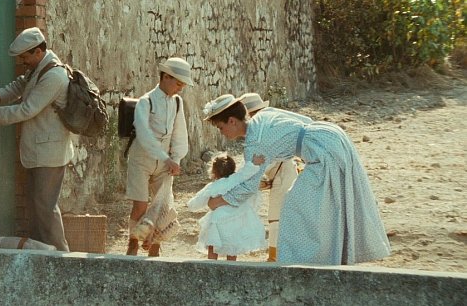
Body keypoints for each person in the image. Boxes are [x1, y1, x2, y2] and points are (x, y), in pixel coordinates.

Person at [202, 94, 391, 265]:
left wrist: (219, 201)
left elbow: (249, 186)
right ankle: (329, 255)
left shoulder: (254, 143)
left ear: (232, 121)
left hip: (322, 150)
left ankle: (310, 260)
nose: (222, 132)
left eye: (221, 127)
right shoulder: (263, 115)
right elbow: (304, 121)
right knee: (327, 201)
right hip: (329, 135)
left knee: (295, 205)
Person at [0, 27, 72, 251]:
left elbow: (28, 109)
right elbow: (21, 84)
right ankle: (43, 253)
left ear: (38, 51)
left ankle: (62, 256)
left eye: (25, 57)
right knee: (38, 207)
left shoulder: (54, 75)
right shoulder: (39, 68)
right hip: (39, 151)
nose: (23, 61)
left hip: (49, 153)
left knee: (45, 208)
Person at [125, 57, 190, 257]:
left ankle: (154, 249)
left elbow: (180, 133)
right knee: (140, 205)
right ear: (166, 77)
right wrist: (165, 157)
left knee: (161, 207)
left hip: (165, 160)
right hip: (142, 157)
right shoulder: (146, 101)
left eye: (182, 85)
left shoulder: (177, 102)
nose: (180, 89)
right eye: (178, 83)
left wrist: (176, 159)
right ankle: (133, 244)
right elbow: (144, 134)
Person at [238, 92, 300, 262]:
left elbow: (266, 160)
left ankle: (276, 256)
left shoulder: (262, 131)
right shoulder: (269, 126)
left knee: (276, 218)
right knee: (282, 217)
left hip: (283, 174)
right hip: (283, 173)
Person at [187, 152, 267, 261]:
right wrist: (255, 163)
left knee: (213, 245)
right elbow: (246, 172)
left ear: (214, 171)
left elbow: (197, 201)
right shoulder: (236, 178)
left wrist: (190, 205)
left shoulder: (212, 186)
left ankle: (211, 265)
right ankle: (231, 266)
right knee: (232, 247)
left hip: (218, 220)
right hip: (235, 219)